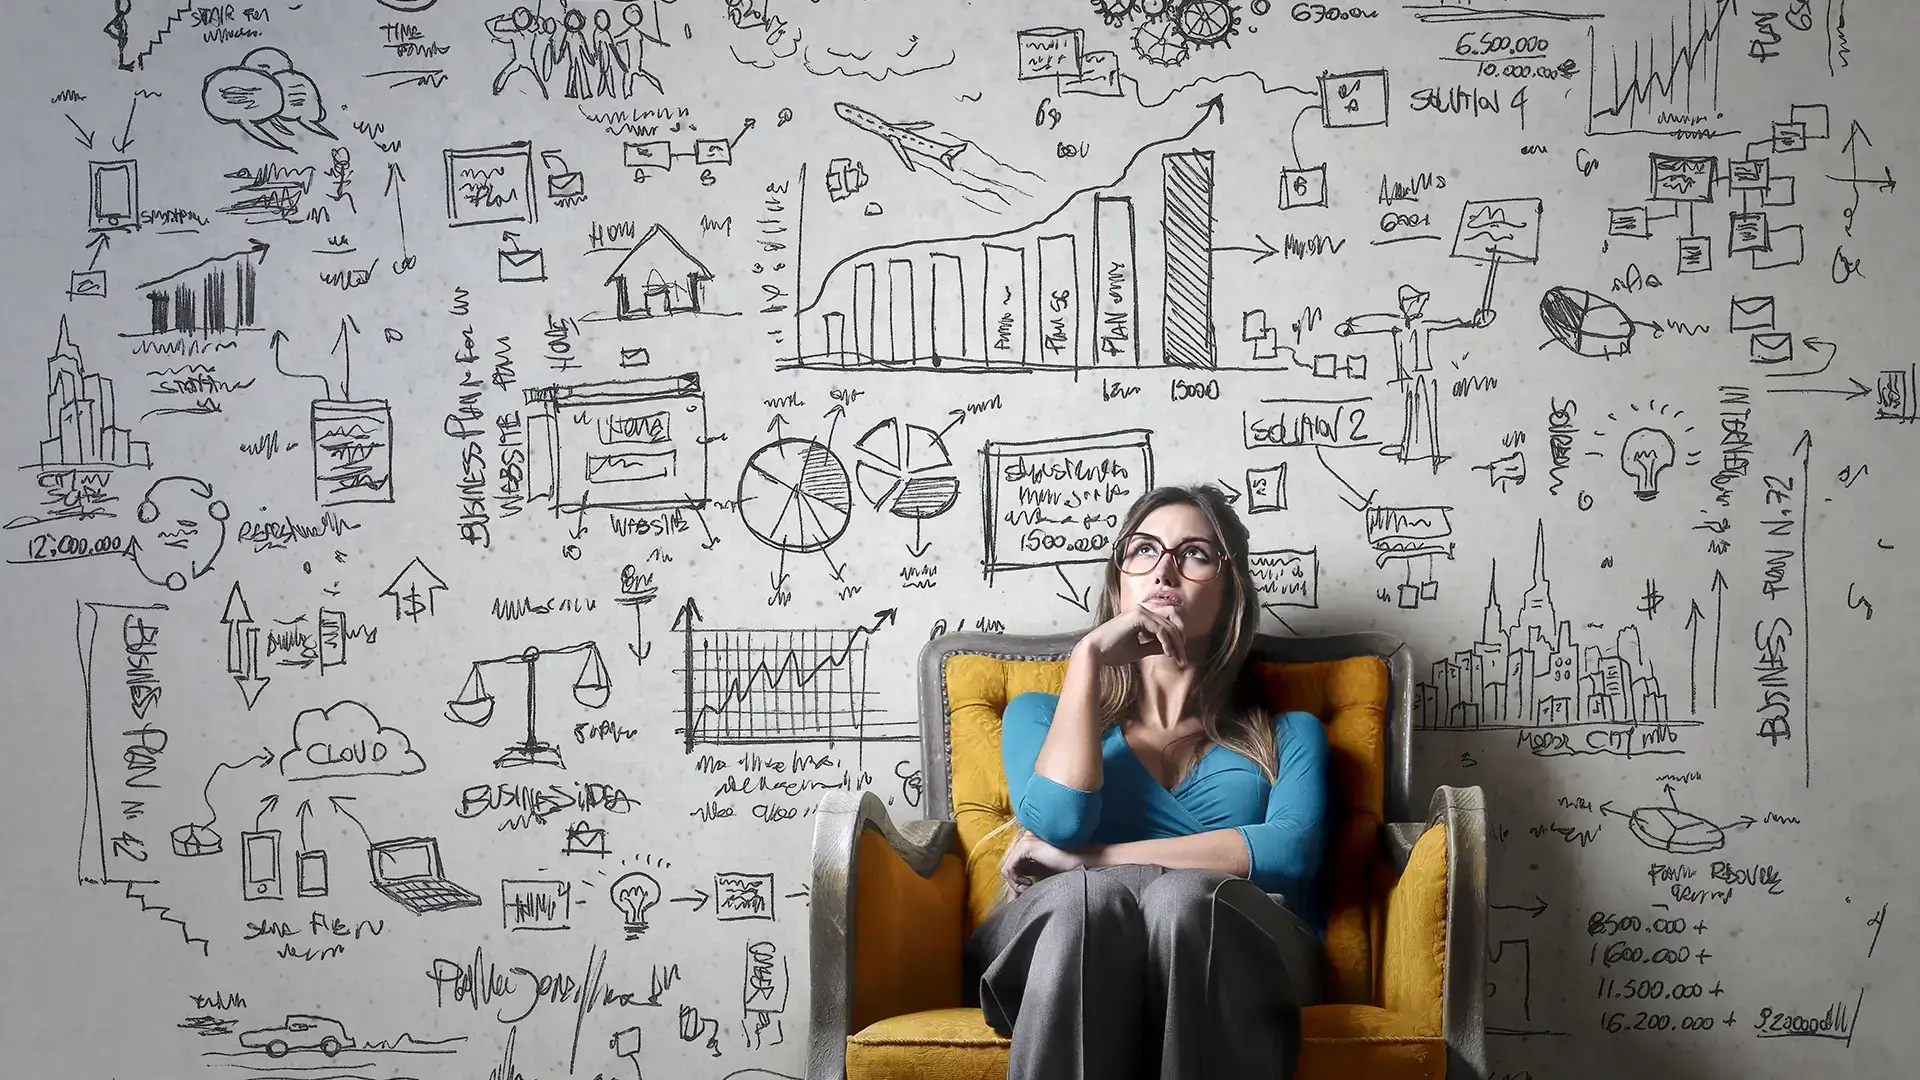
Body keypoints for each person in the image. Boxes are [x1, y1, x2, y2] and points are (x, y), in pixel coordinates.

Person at [961, 483, 1331, 1080]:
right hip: (1065, 940)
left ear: (1231, 591)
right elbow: (1059, 821)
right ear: (1119, 581)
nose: (1164, 569)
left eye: (1195, 553)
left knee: (1185, 899)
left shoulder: (1289, 733)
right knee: (1088, 902)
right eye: (1143, 549)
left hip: (1241, 954)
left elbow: (1288, 853)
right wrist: (1087, 661)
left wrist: (1094, 859)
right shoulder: (1039, 714)